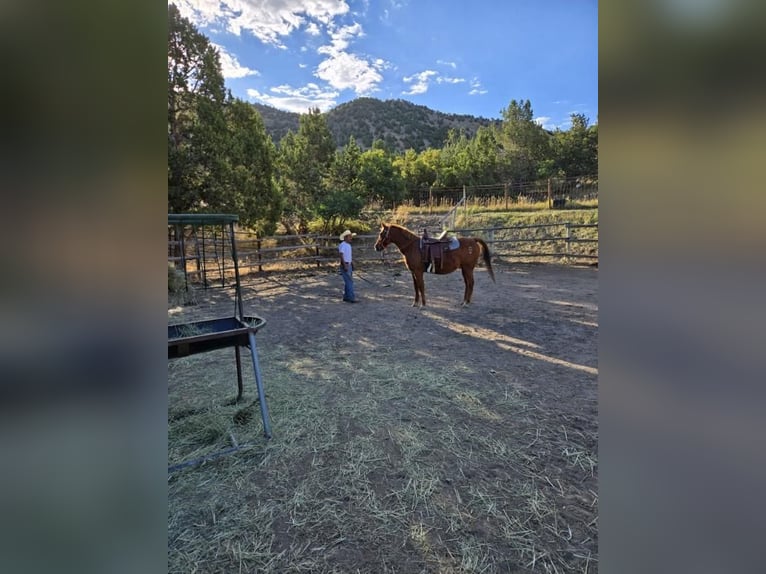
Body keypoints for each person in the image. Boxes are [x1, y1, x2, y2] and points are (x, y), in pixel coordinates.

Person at [338, 229, 357, 303]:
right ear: (345, 237)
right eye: (349, 237)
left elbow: (348, 256)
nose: (351, 238)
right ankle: (351, 298)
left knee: (348, 281)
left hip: (348, 264)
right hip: (345, 264)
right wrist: (345, 265)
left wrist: (351, 263)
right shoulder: (343, 245)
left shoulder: (348, 245)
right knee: (349, 282)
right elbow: (341, 255)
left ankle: (346, 297)